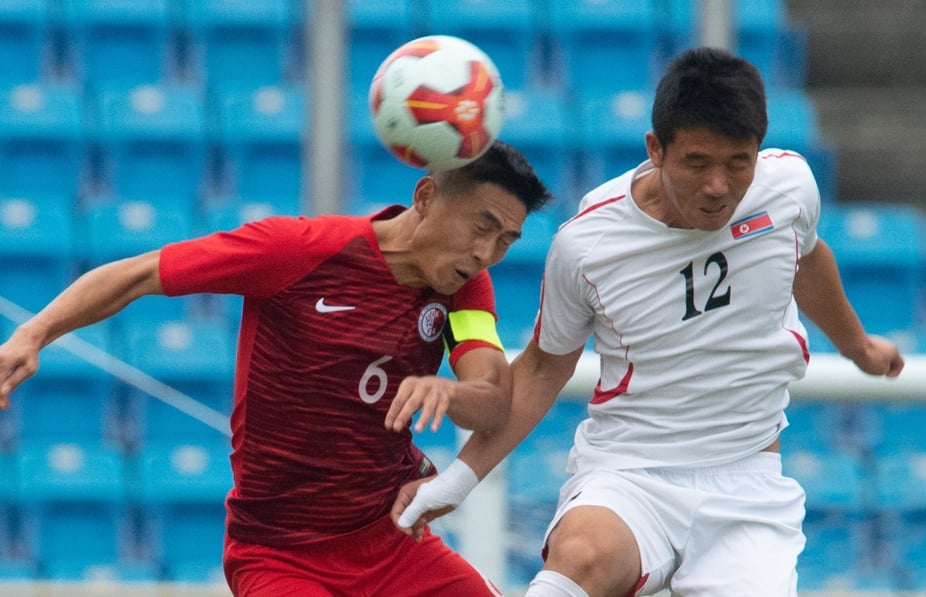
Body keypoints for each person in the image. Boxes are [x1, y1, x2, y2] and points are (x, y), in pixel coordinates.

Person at [393, 47, 905, 597]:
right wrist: (460, 479)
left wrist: (858, 347)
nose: (718, 186)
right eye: (697, 163)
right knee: (580, 561)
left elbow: (805, 258)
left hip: (747, 481)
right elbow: (543, 368)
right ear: (655, 149)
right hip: (628, 472)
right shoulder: (588, 244)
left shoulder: (790, 188)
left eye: (738, 163)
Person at [0, 140, 552, 596]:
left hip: (391, 540)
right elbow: (142, 273)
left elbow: (493, 398)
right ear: (427, 195)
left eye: (506, 240)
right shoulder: (299, 251)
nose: (488, 253)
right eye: (482, 226)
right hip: (280, 555)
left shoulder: (463, 289)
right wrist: (33, 333)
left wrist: (448, 393)